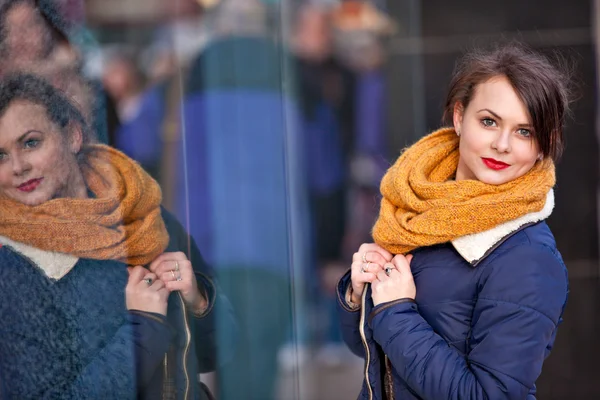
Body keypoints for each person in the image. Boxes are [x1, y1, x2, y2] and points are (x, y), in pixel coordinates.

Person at [337, 44, 570, 399]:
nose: (502, 144)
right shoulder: (418, 212)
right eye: (489, 121)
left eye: (525, 131)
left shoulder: (528, 257)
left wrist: (396, 311)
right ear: (460, 117)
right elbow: (374, 353)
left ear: (544, 145)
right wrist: (359, 293)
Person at [0, 73, 234, 399]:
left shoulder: (144, 216)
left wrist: (199, 300)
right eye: (0, 156)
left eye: (30, 142)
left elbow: (221, 352)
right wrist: (144, 327)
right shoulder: (12, 265)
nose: (17, 166)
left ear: (72, 136)